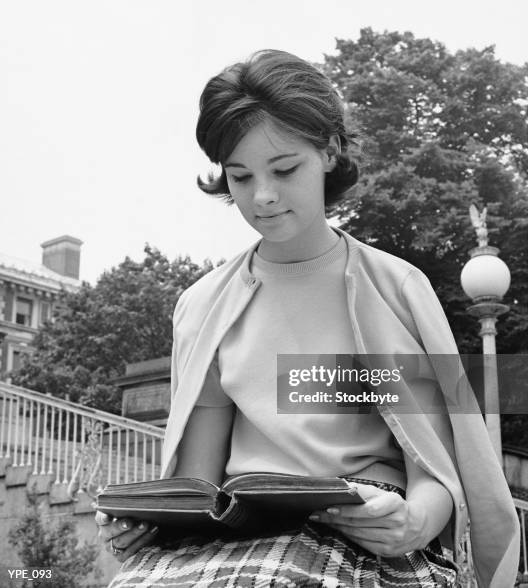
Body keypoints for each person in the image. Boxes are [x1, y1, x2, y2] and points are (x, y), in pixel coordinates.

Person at [95, 50, 519, 587]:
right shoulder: (203, 305)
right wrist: (149, 520)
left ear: (329, 151)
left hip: (365, 527)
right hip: (236, 533)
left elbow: (434, 468)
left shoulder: (397, 290)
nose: (263, 197)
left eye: (284, 169)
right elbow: (198, 482)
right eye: (240, 176)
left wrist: (415, 524)